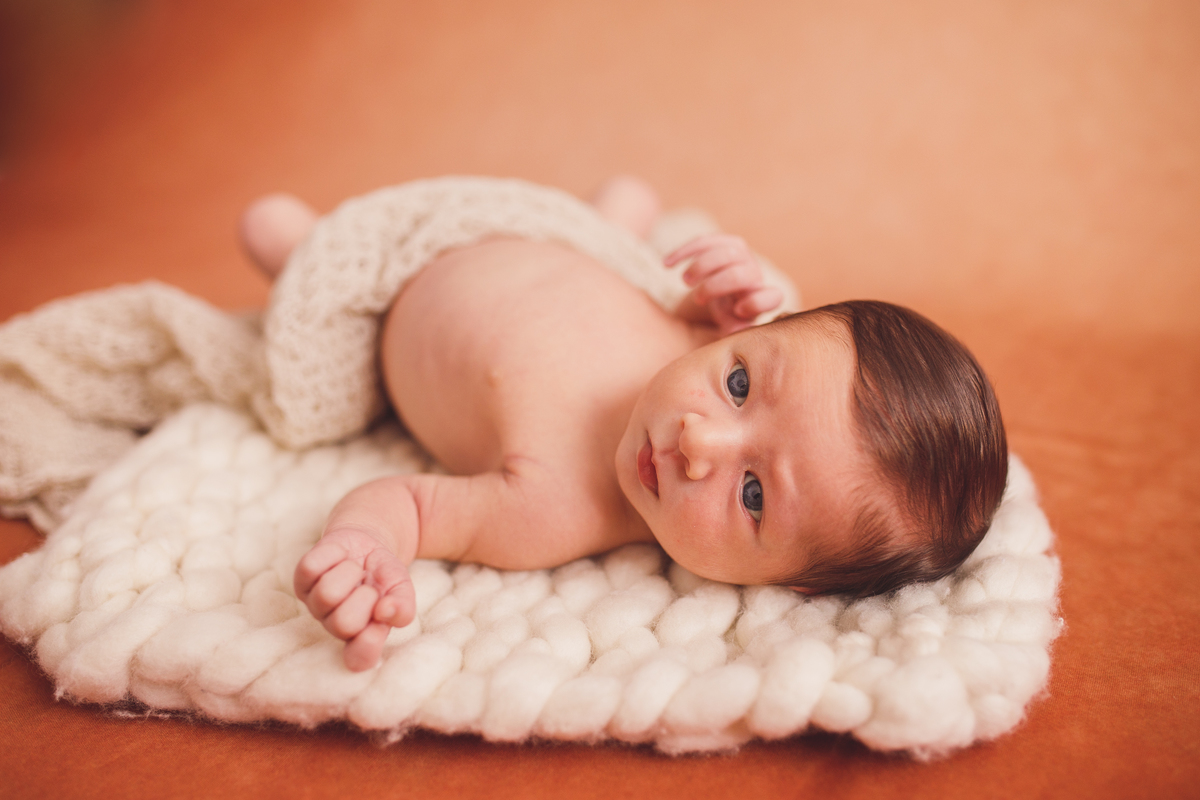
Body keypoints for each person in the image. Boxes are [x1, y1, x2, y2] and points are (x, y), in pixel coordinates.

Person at [239, 176, 1008, 672]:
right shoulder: (701, 340)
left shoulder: (552, 511)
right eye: (740, 381)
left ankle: (304, 246)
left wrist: (365, 546)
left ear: (792, 585)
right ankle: (608, 218)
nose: (698, 442)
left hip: (400, 282)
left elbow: (411, 505)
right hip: (547, 230)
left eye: (752, 497)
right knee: (621, 230)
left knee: (277, 231)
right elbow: (682, 307)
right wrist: (709, 303)